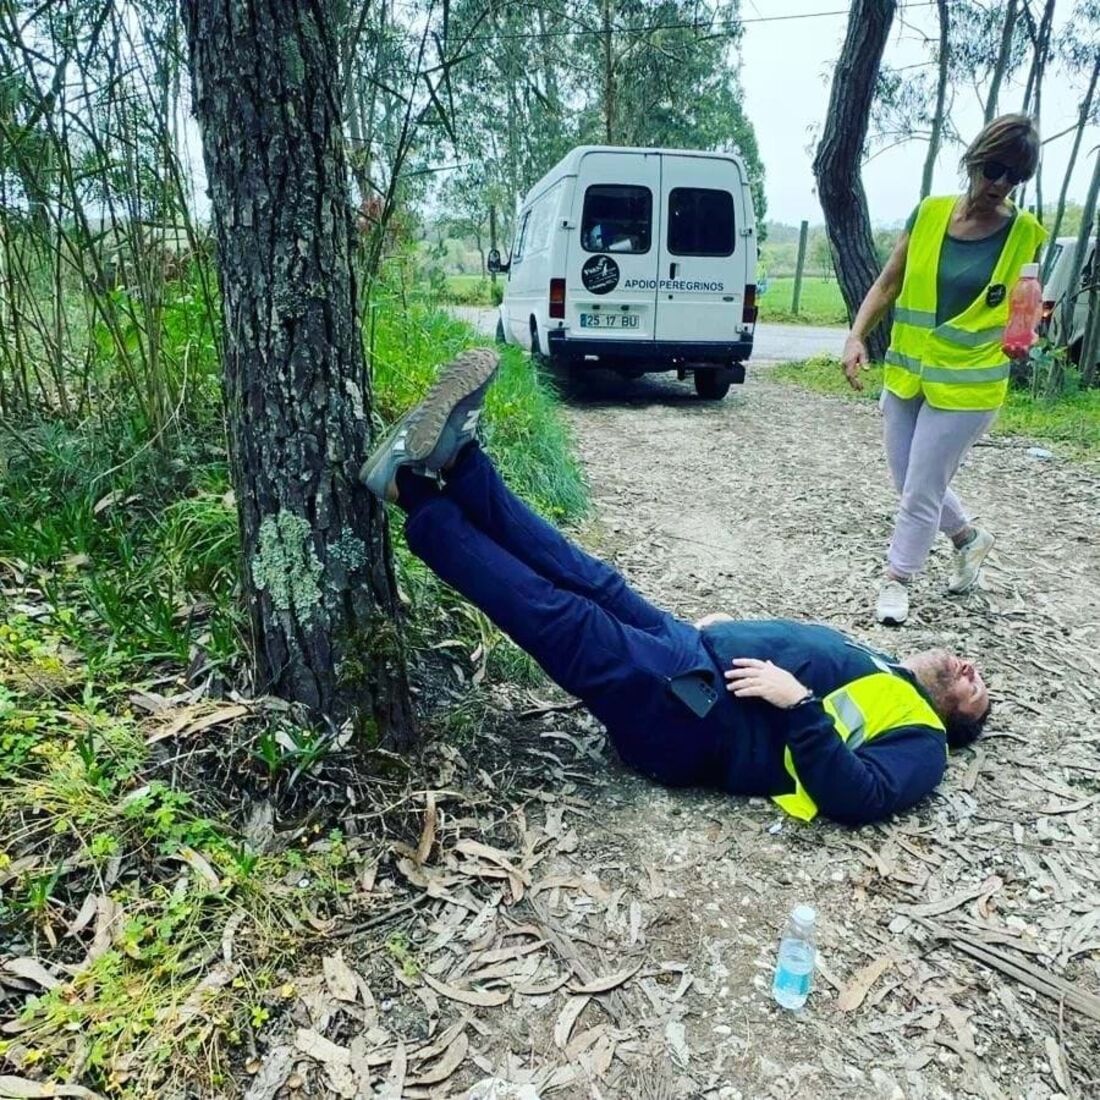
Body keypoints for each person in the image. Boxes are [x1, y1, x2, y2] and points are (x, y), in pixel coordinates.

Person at [360, 349, 991, 827]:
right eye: (976, 671)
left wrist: (796, 702)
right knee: (582, 575)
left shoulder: (925, 744)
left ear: (952, 720)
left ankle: (407, 491)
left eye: (974, 691)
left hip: (696, 718)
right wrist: (732, 632)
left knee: (564, 619)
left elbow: (862, 796)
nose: (969, 669)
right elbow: (806, 660)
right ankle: (458, 464)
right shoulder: (885, 667)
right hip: (693, 654)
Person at [841, 114, 1047, 626]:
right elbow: (889, 282)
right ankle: (968, 538)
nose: (1000, 184)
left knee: (921, 487)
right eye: (995, 169)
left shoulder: (1024, 233)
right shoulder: (929, 214)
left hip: (970, 386)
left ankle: (897, 580)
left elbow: (1027, 306)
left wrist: (1025, 337)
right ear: (975, 159)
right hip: (909, 373)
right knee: (907, 479)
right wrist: (856, 334)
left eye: (1014, 177)